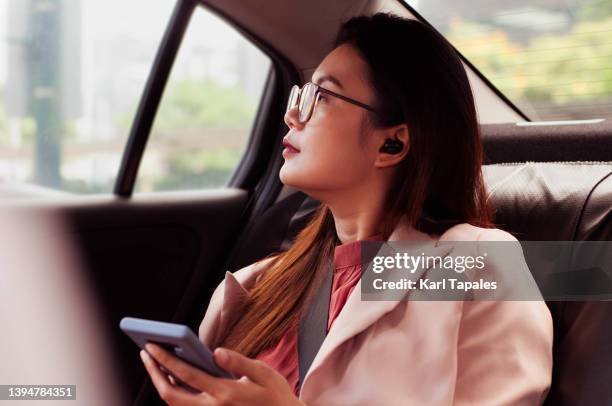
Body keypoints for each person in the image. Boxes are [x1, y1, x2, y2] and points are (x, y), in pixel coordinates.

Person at [140, 12, 553, 405]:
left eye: (321, 96)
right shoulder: (256, 286)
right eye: (302, 94)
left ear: (392, 143)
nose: (292, 115)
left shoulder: (475, 263)